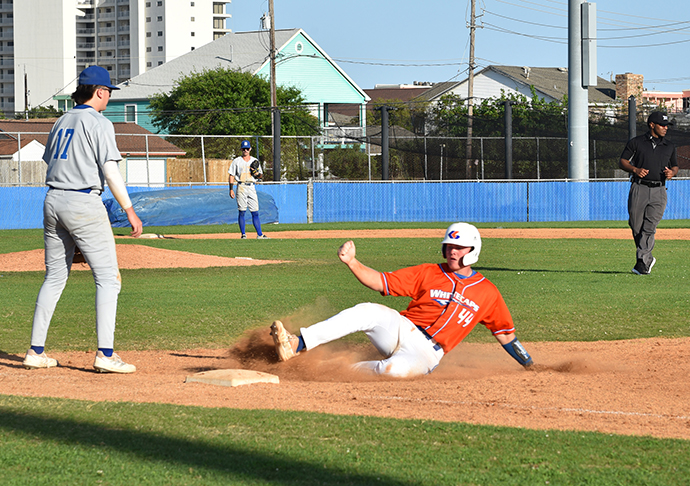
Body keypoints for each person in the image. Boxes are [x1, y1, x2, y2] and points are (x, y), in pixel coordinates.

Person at [270, 223, 533, 377]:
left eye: (458, 248)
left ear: (473, 251)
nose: (452, 252)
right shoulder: (429, 272)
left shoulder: (487, 292)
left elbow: (507, 336)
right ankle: (298, 343)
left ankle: (329, 369)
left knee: (392, 371)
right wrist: (352, 262)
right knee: (367, 310)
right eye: (449, 247)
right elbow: (380, 281)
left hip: (427, 352)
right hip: (401, 328)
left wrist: (530, 365)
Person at [22, 66, 143, 373]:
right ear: (100, 91)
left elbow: (50, 160)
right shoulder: (99, 123)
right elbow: (110, 170)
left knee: (54, 277)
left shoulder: (62, 120)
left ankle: (36, 351)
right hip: (82, 201)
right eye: (109, 92)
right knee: (108, 279)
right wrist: (129, 209)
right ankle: (105, 354)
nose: (109, 98)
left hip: (52, 200)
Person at [619, 111, 678, 275]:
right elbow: (622, 161)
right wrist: (635, 169)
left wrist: (672, 173)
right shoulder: (636, 143)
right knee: (636, 225)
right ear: (652, 125)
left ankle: (642, 262)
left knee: (649, 228)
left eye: (667, 125)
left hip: (659, 190)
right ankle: (648, 258)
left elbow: (675, 166)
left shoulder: (670, 146)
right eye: (662, 125)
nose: (665, 128)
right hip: (639, 188)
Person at [228, 140, 268, 239]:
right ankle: (243, 234)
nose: (245, 150)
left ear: (250, 149)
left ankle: (260, 234)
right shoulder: (237, 161)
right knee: (242, 211)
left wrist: (256, 173)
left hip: (251, 187)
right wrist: (231, 189)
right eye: (243, 148)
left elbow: (261, 176)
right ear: (241, 149)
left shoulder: (254, 161)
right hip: (241, 186)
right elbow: (231, 175)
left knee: (255, 211)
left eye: (247, 148)